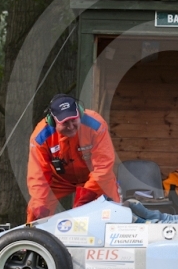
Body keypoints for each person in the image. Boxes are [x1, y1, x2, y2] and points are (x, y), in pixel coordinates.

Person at [27, 94, 120, 222]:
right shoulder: (40, 137)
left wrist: (86, 195)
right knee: (36, 208)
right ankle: (32, 239)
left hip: (96, 177)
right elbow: (38, 175)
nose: (71, 126)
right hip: (59, 179)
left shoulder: (96, 125)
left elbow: (103, 166)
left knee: (114, 210)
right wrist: (40, 205)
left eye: (73, 120)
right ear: (52, 122)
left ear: (80, 114)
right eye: (65, 123)